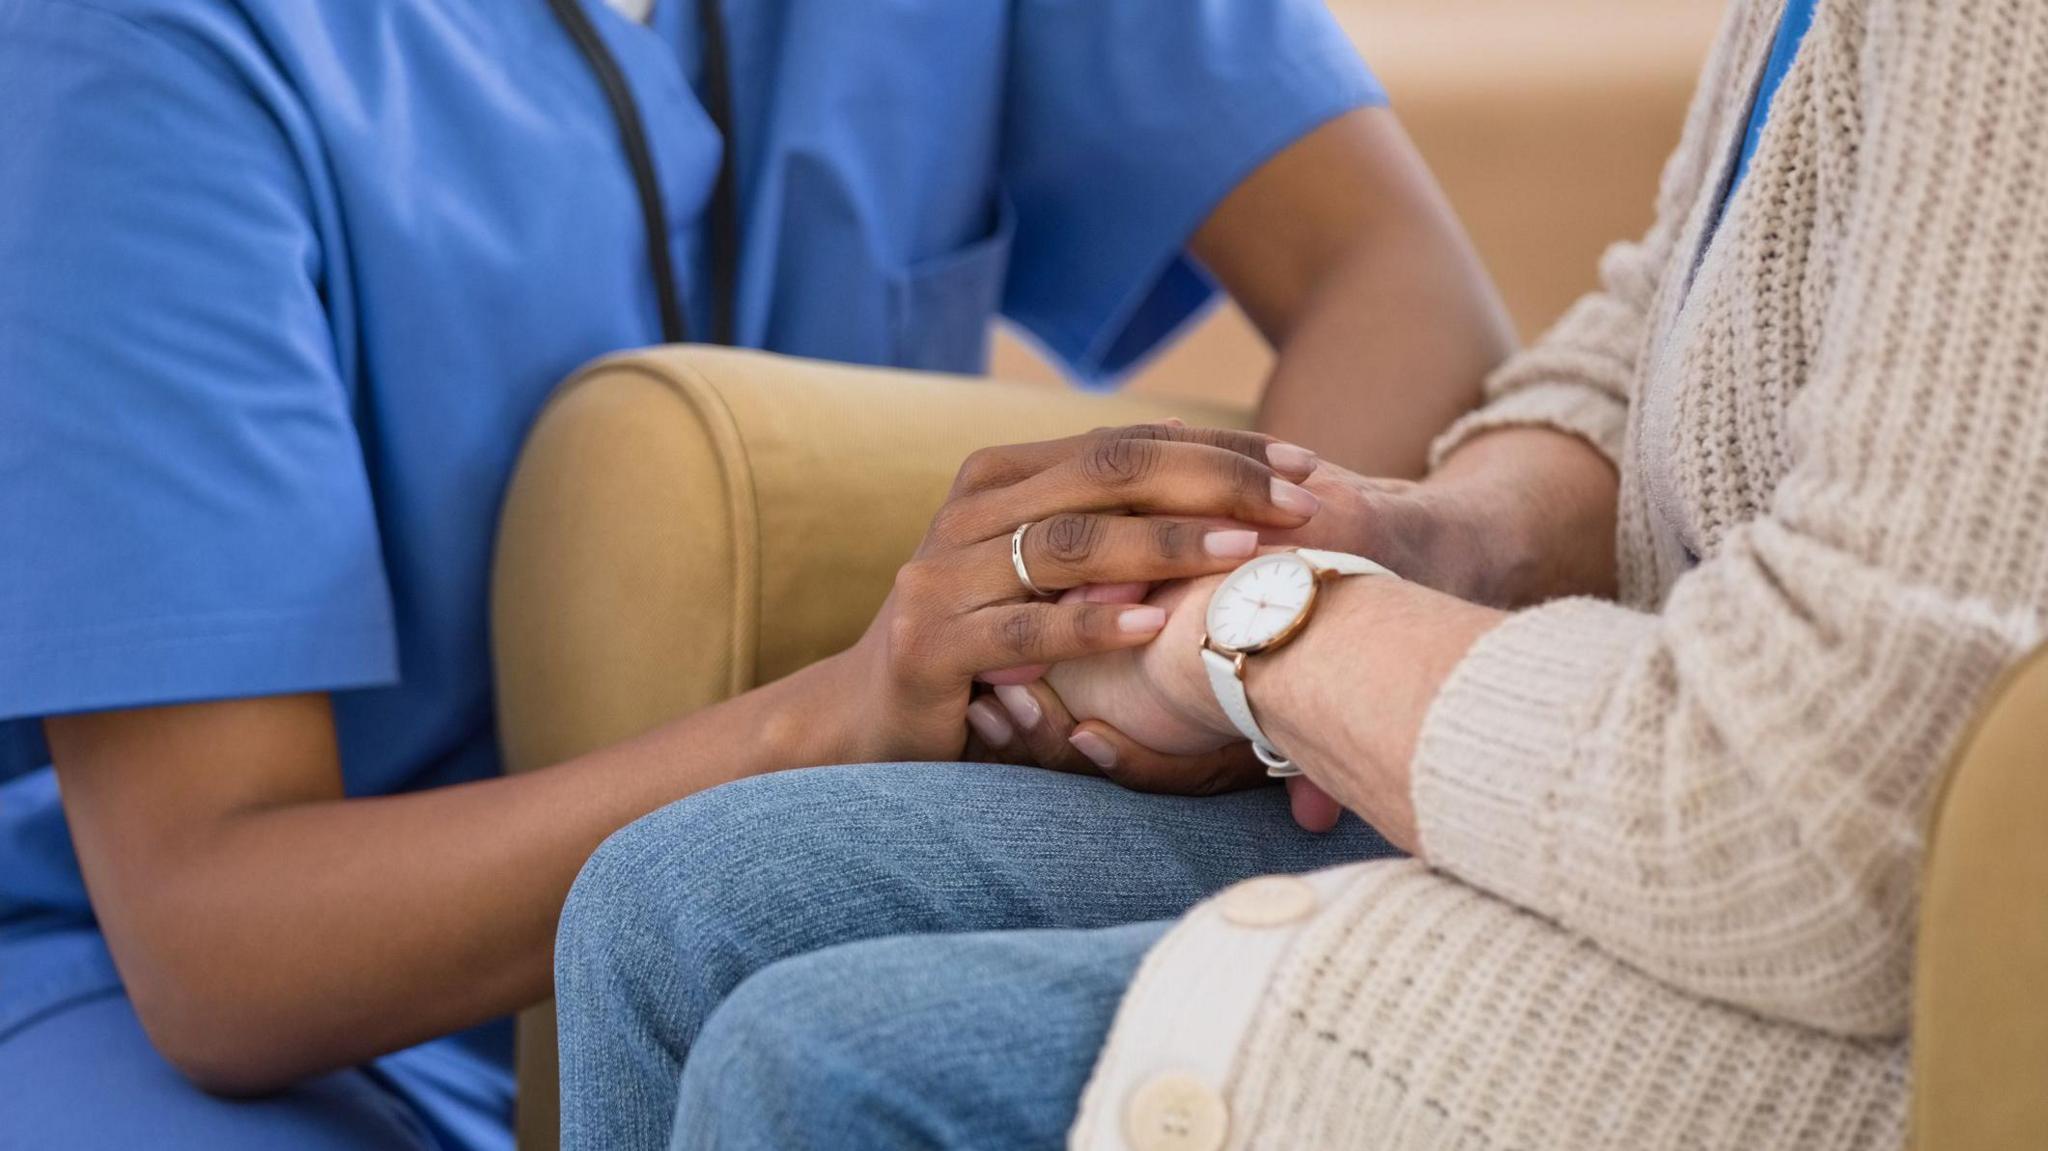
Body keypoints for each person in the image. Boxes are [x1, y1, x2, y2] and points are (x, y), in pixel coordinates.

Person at [0, 0, 1517, 1147]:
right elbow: (217, 949)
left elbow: (1401, 281)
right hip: (242, 1001)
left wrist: (1194, 637)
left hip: (848, 861)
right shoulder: (135, 45)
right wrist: (838, 717)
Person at [553, 0, 2048, 1147]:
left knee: (821, 1064)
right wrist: (1430, 530)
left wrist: (1264, 637)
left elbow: (1815, 822)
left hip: (1818, 942)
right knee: (667, 902)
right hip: (1626, 783)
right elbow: (1667, 321)